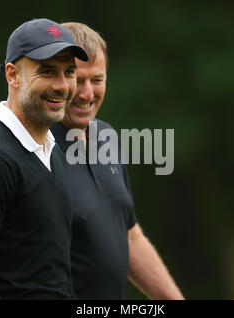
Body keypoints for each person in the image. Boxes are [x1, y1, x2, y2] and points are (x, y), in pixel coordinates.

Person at [0, 18, 88, 299]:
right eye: (47, 71)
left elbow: (53, 276)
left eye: (69, 72)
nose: (62, 86)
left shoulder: (53, 152)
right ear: (12, 75)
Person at [50, 22, 184, 299]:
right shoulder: (36, 152)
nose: (87, 94)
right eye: (78, 80)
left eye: (97, 80)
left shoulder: (107, 136)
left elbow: (130, 237)